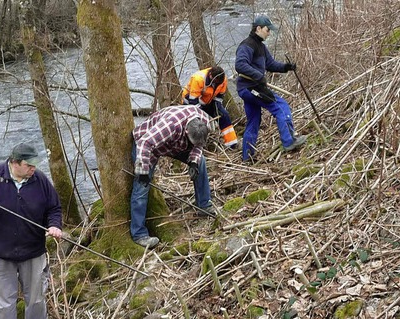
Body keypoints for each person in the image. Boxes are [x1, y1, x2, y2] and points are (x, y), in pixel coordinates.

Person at [0, 142, 63, 319]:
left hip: (33, 252)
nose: (33, 168)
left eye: (34, 164)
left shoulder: (40, 180)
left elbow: (54, 208)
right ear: (14, 163)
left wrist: (54, 225)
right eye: (28, 165)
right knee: (3, 307)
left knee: (36, 301)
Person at [130, 105, 215, 249]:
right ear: (187, 131)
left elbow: (199, 145)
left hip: (176, 145)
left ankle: (204, 205)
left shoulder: (205, 122)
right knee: (141, 186)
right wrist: (143, 171)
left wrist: (193, 161)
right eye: (191, 141)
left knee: (201, 162)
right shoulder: (170, 125)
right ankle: (139, 234)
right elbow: (145, 143)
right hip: (148, 146)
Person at [235, 15, 307, 163]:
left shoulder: (261, 47)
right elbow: (240, 65)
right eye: (268, 30)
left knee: (254, 120)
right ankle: (289, 142)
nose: (269, 33)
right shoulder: (247, 45)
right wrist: (258, 76)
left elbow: (271, 64)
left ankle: (247, 157)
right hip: (251, 88)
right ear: (258, 29)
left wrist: (286, 67)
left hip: (250, 89)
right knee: (280, 106)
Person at [182, 66, 238, 149]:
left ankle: (231, 143)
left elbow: (219, 97)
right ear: (211, 75)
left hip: (208, 101)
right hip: (191, 103)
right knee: (196, 124)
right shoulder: (198, 79)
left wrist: (217, 109)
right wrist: (202, 115)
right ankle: (192, 147)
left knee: (224, 115)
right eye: (215, 82)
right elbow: (193, 102)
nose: (217, 84)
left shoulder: (223, 80)